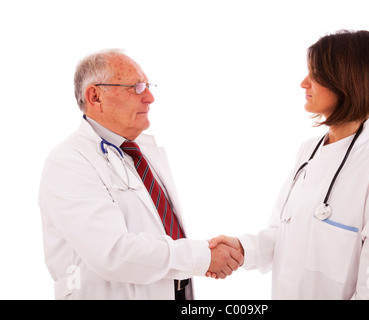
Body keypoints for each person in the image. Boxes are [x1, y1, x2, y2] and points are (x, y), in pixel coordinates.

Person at [209, 30, 369, 299]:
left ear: (348, 82)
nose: (303, 83)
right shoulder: (308, 152)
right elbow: (285, 235)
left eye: (315, 75)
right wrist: (243, 249)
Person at [38, 49, 243, 300]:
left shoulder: (141, 153)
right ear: (95, 96)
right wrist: (203, 256)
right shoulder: (68, 162)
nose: (150, 97)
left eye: (147, 86)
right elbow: (112, 253)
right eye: (136, 87)